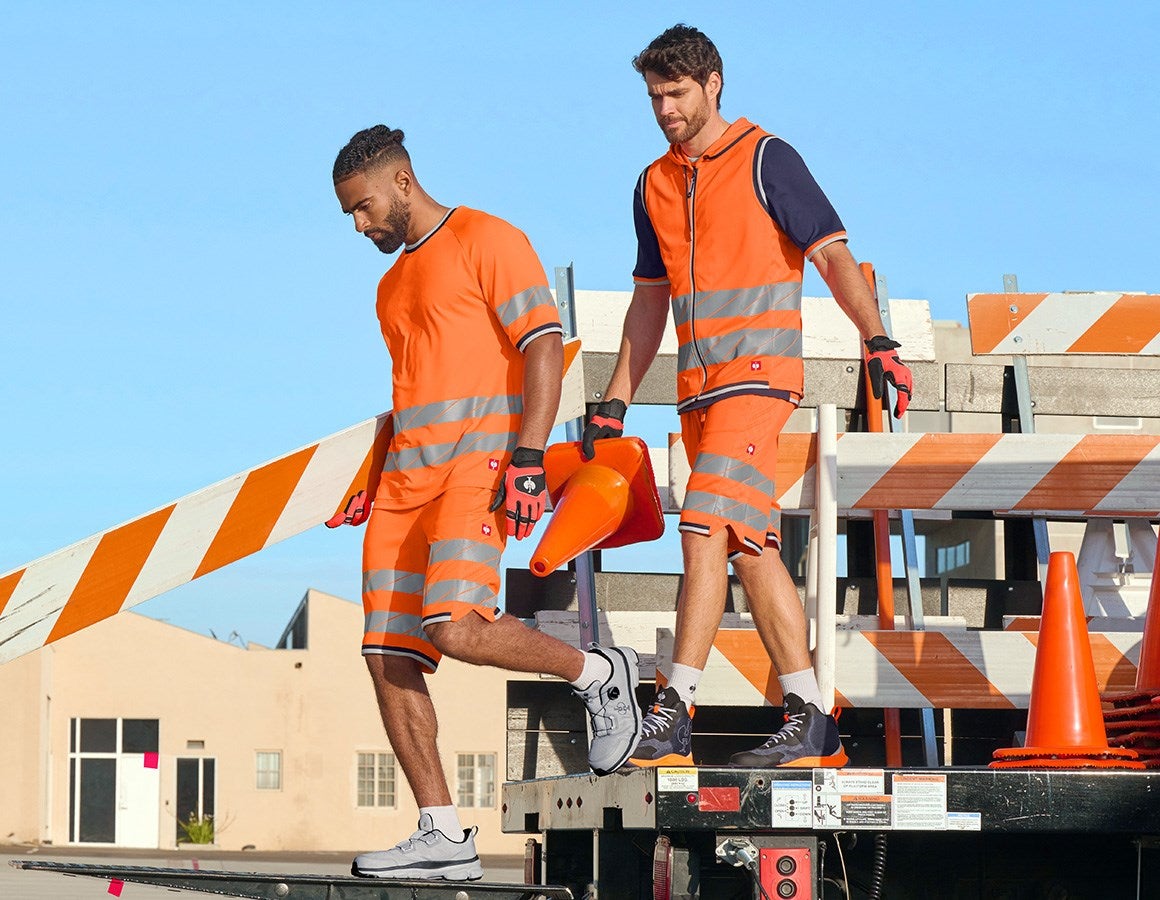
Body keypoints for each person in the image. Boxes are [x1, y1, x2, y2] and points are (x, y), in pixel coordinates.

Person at [582, 25, 913, 769]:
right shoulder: (653, 184)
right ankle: (810, 718)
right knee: (751, 550)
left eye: (676, 93)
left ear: (713, 84)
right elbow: (648, 304)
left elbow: (831, 252)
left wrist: (877, 338)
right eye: (654, 97)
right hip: (698, 397)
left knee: (702, 527)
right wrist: (614, 403)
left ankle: (671, 712)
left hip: (760, 380)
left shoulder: (768, 158)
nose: (664, 109)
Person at [332, 125, 642, 881]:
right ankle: (441, 833)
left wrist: (529, 460)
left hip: (480, 470)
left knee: (456, 627)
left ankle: (599, 674)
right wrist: (376, 463)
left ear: (402, 181)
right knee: (385, 655)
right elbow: (418, 389)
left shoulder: (488, 237)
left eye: (364, 206)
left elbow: (542, 344)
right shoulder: (388, 286)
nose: (359, 224)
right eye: (348, 214)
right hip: (404, 486)